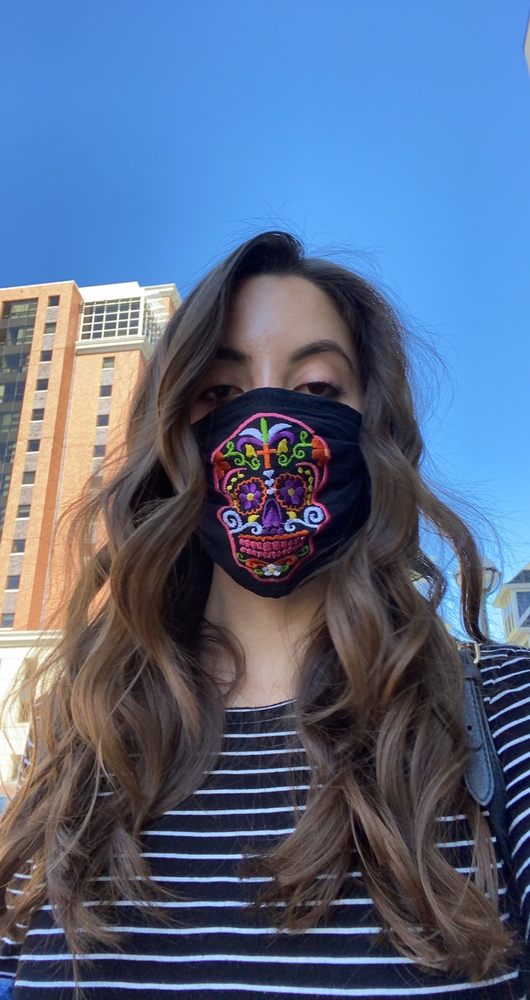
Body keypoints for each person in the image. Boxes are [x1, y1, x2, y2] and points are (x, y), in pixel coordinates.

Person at [0, 230, 529, 999]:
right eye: (220, 394)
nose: (267, 431)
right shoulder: (84, 736)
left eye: (316, 388)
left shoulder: (497, 717)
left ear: (374, 428)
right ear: (173, 433)